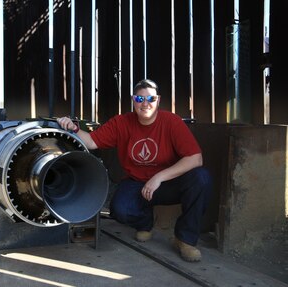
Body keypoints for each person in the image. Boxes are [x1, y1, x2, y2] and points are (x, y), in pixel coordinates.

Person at [57, 79, 213, 262]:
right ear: (133, 100)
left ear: (158, 100)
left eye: (151, 99)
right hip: (137, 183)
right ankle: (144, 223)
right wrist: (73, 128)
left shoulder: (172, 122)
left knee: (201, 178)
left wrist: (159, 177)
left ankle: (184, 239)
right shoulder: (122, 122)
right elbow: (91, 142)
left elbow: (196, 158)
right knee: (119, 210)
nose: (145, 103)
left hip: (167, 182)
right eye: (140, 98)